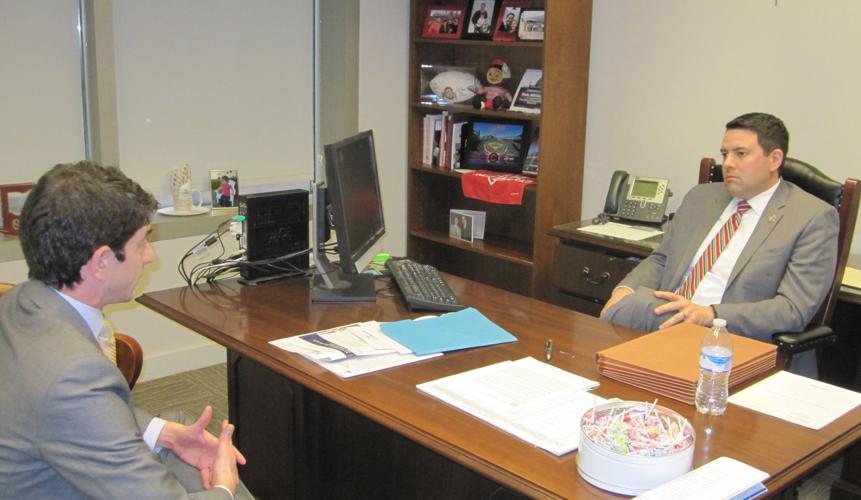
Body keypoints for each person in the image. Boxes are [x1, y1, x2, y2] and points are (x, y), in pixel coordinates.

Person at [0, 162, 253, 498]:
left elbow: (72, 414)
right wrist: (225, 486)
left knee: (175, 424)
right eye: (142, 243)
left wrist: (165, 433)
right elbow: (76, 403)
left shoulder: (19, 301)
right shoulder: (75, 376)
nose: (150, 256)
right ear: (102, 262)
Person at [600, 113, 839, 377]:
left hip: (732, 341)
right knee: (608, 325)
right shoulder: (701, 197)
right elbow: (662, 259)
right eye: (725, 154)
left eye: (740, 154)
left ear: (774, 159)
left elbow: (791, 310)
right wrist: (624, 289)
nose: (728, 164)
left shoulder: (812, 217)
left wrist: (708, 314)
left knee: (625, 317)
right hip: (667, 325)